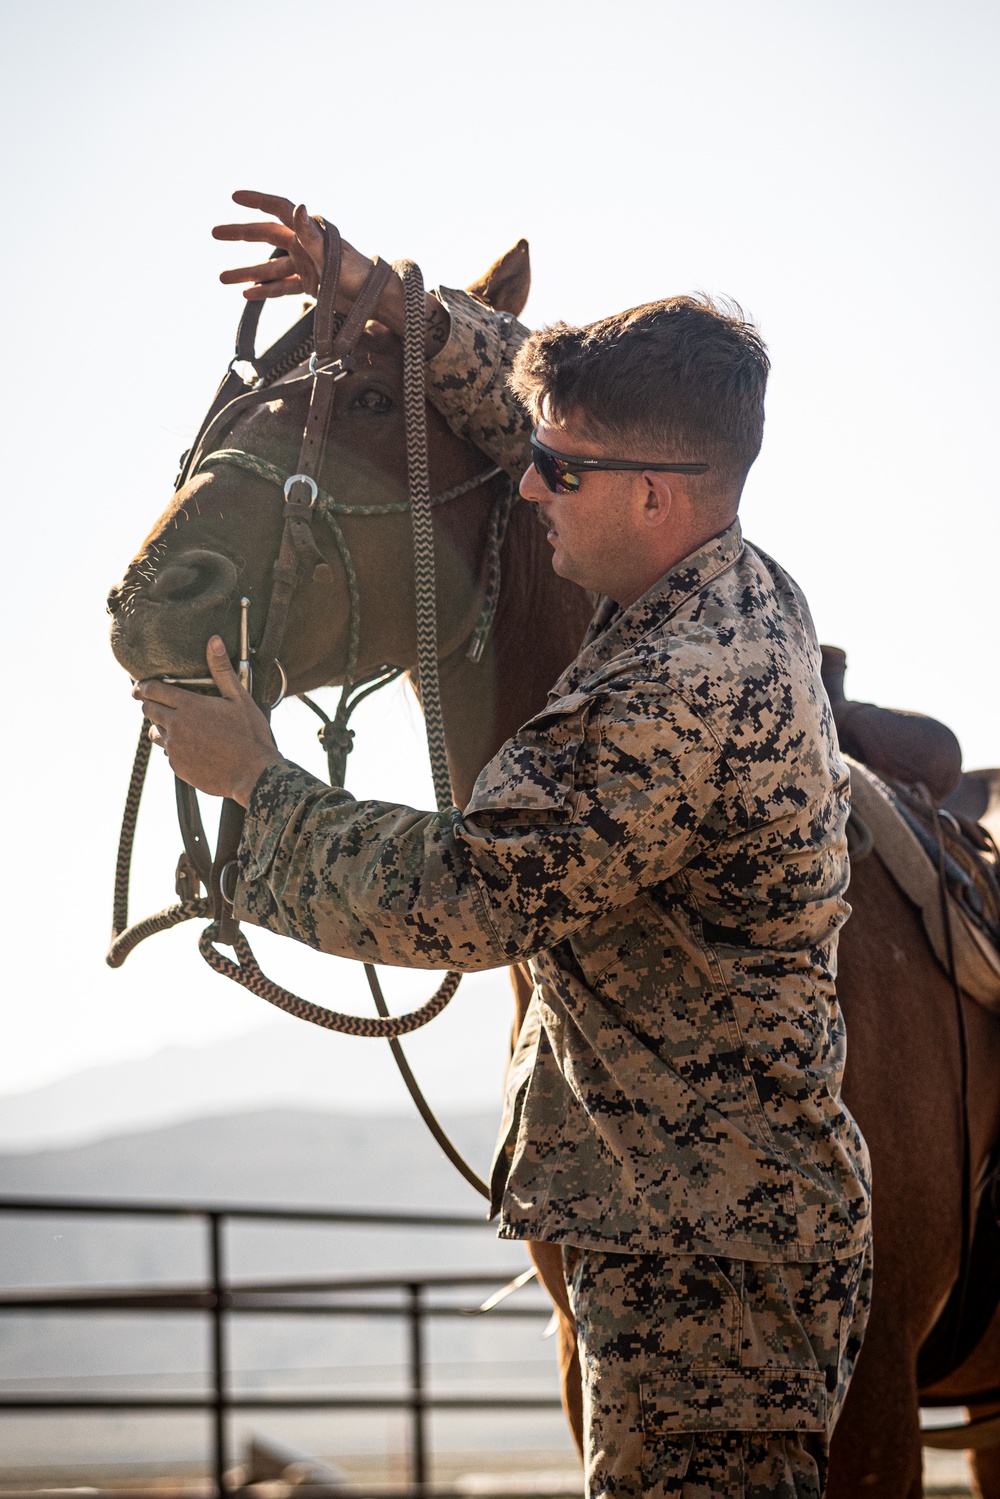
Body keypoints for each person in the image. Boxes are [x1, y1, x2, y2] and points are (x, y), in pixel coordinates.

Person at [135, 192, 872, 1499]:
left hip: (707, 1277)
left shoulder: (677, 692)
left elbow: (466, 898)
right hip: (684, 1234)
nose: (527, 479)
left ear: (654, 495)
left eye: (559, 469)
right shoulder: (701, 583)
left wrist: (255, 785)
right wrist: (378, 297)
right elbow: (503, 403)